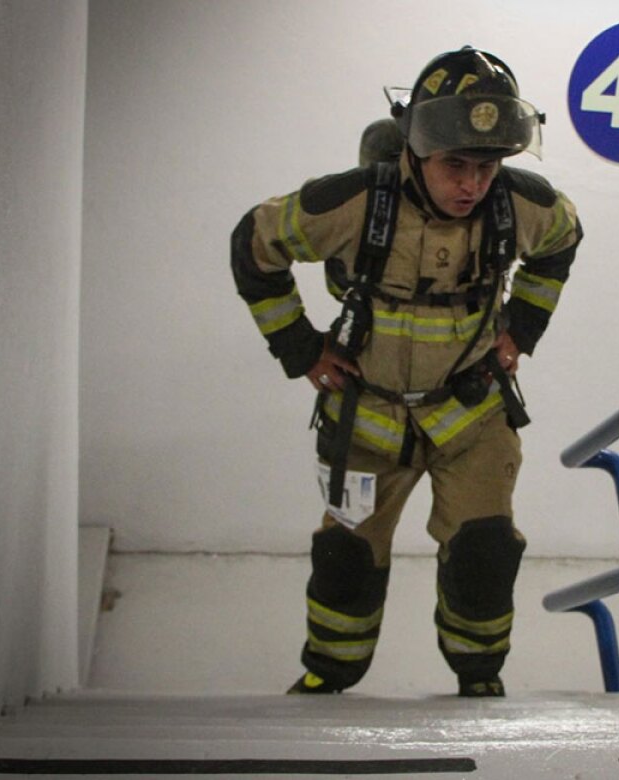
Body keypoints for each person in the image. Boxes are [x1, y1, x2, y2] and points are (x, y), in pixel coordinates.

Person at [230, 46, 581, 697]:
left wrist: (521, 330)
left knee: (484, 552)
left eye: (486, 166)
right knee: (346, 559)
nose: (472, 185)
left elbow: (562, 238)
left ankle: (478, 678)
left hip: (470, 417)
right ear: (415, 150)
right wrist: (301, 349)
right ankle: (330, 673)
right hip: (365, 420)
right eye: (456, 165)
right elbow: (254, 244)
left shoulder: (519, 206)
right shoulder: (351, 204)